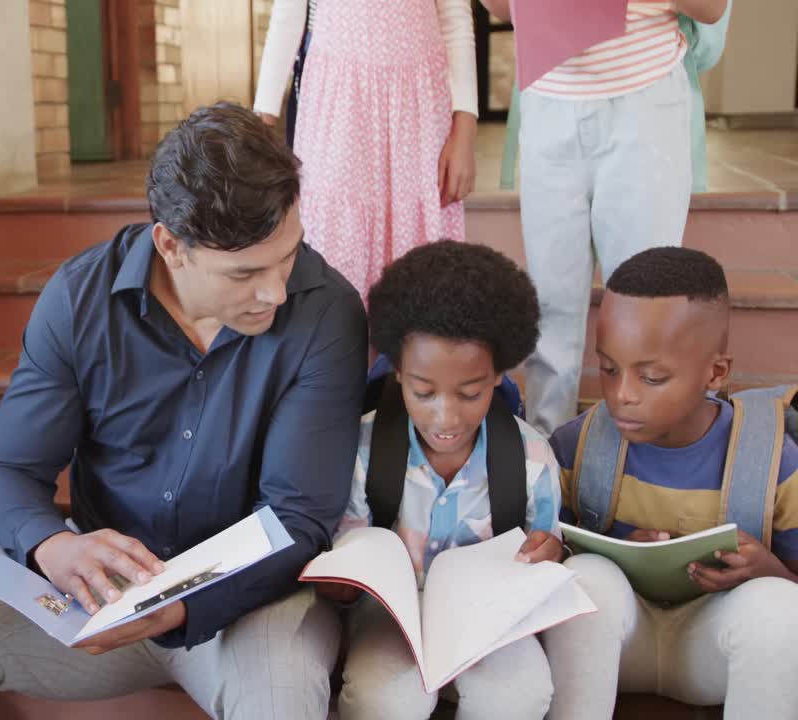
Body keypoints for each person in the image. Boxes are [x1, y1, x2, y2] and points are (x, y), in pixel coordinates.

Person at [0, 102, 368, 720]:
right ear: (171, 245)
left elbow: (297, 518)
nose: (276, 291)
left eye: (288, 256)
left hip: (249, 601)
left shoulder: (326, 312)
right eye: (245, 273)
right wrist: (52, 547)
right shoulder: (80, 298)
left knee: (280, 696)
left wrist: (185, 602)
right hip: (103, 594)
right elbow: (10, 472)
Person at [542, 247, 798, 719]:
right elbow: (543, 556)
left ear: (716, 374)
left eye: (652, 377)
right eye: (609, 368)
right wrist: (602, 553)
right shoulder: (576, 447)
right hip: (617, 649)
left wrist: (770, 571)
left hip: (719, 650)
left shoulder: (774, 460)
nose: (622, 396)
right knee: (591, 579)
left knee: (780, 606)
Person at [332, 241, 563, 720]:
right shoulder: (360, 450)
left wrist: (548, 554)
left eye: (470, 392)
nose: (446, 416)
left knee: (519, 694)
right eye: (423, 391)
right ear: (397, 371)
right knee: (385, 698)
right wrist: (340, 582)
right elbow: (346, 566)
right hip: (388, 618)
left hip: (488, 616)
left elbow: (548, 549)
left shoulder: (532, 458)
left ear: (499, 375)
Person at [477, 0, 730, 434]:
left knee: (647, 301)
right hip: (549, 94)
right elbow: (501, 7)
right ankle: (549, 457)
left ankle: (642, 458)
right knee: (550, 300)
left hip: (644, 95)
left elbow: (709, 9)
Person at [254, 0, 478, 296]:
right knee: (334, 243)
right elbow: (287, 17)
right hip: (338, 99)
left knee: (419, 255)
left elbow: (455, 17)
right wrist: (260, 127)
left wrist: (465, 126)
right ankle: (338, 339)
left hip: (418, 102)